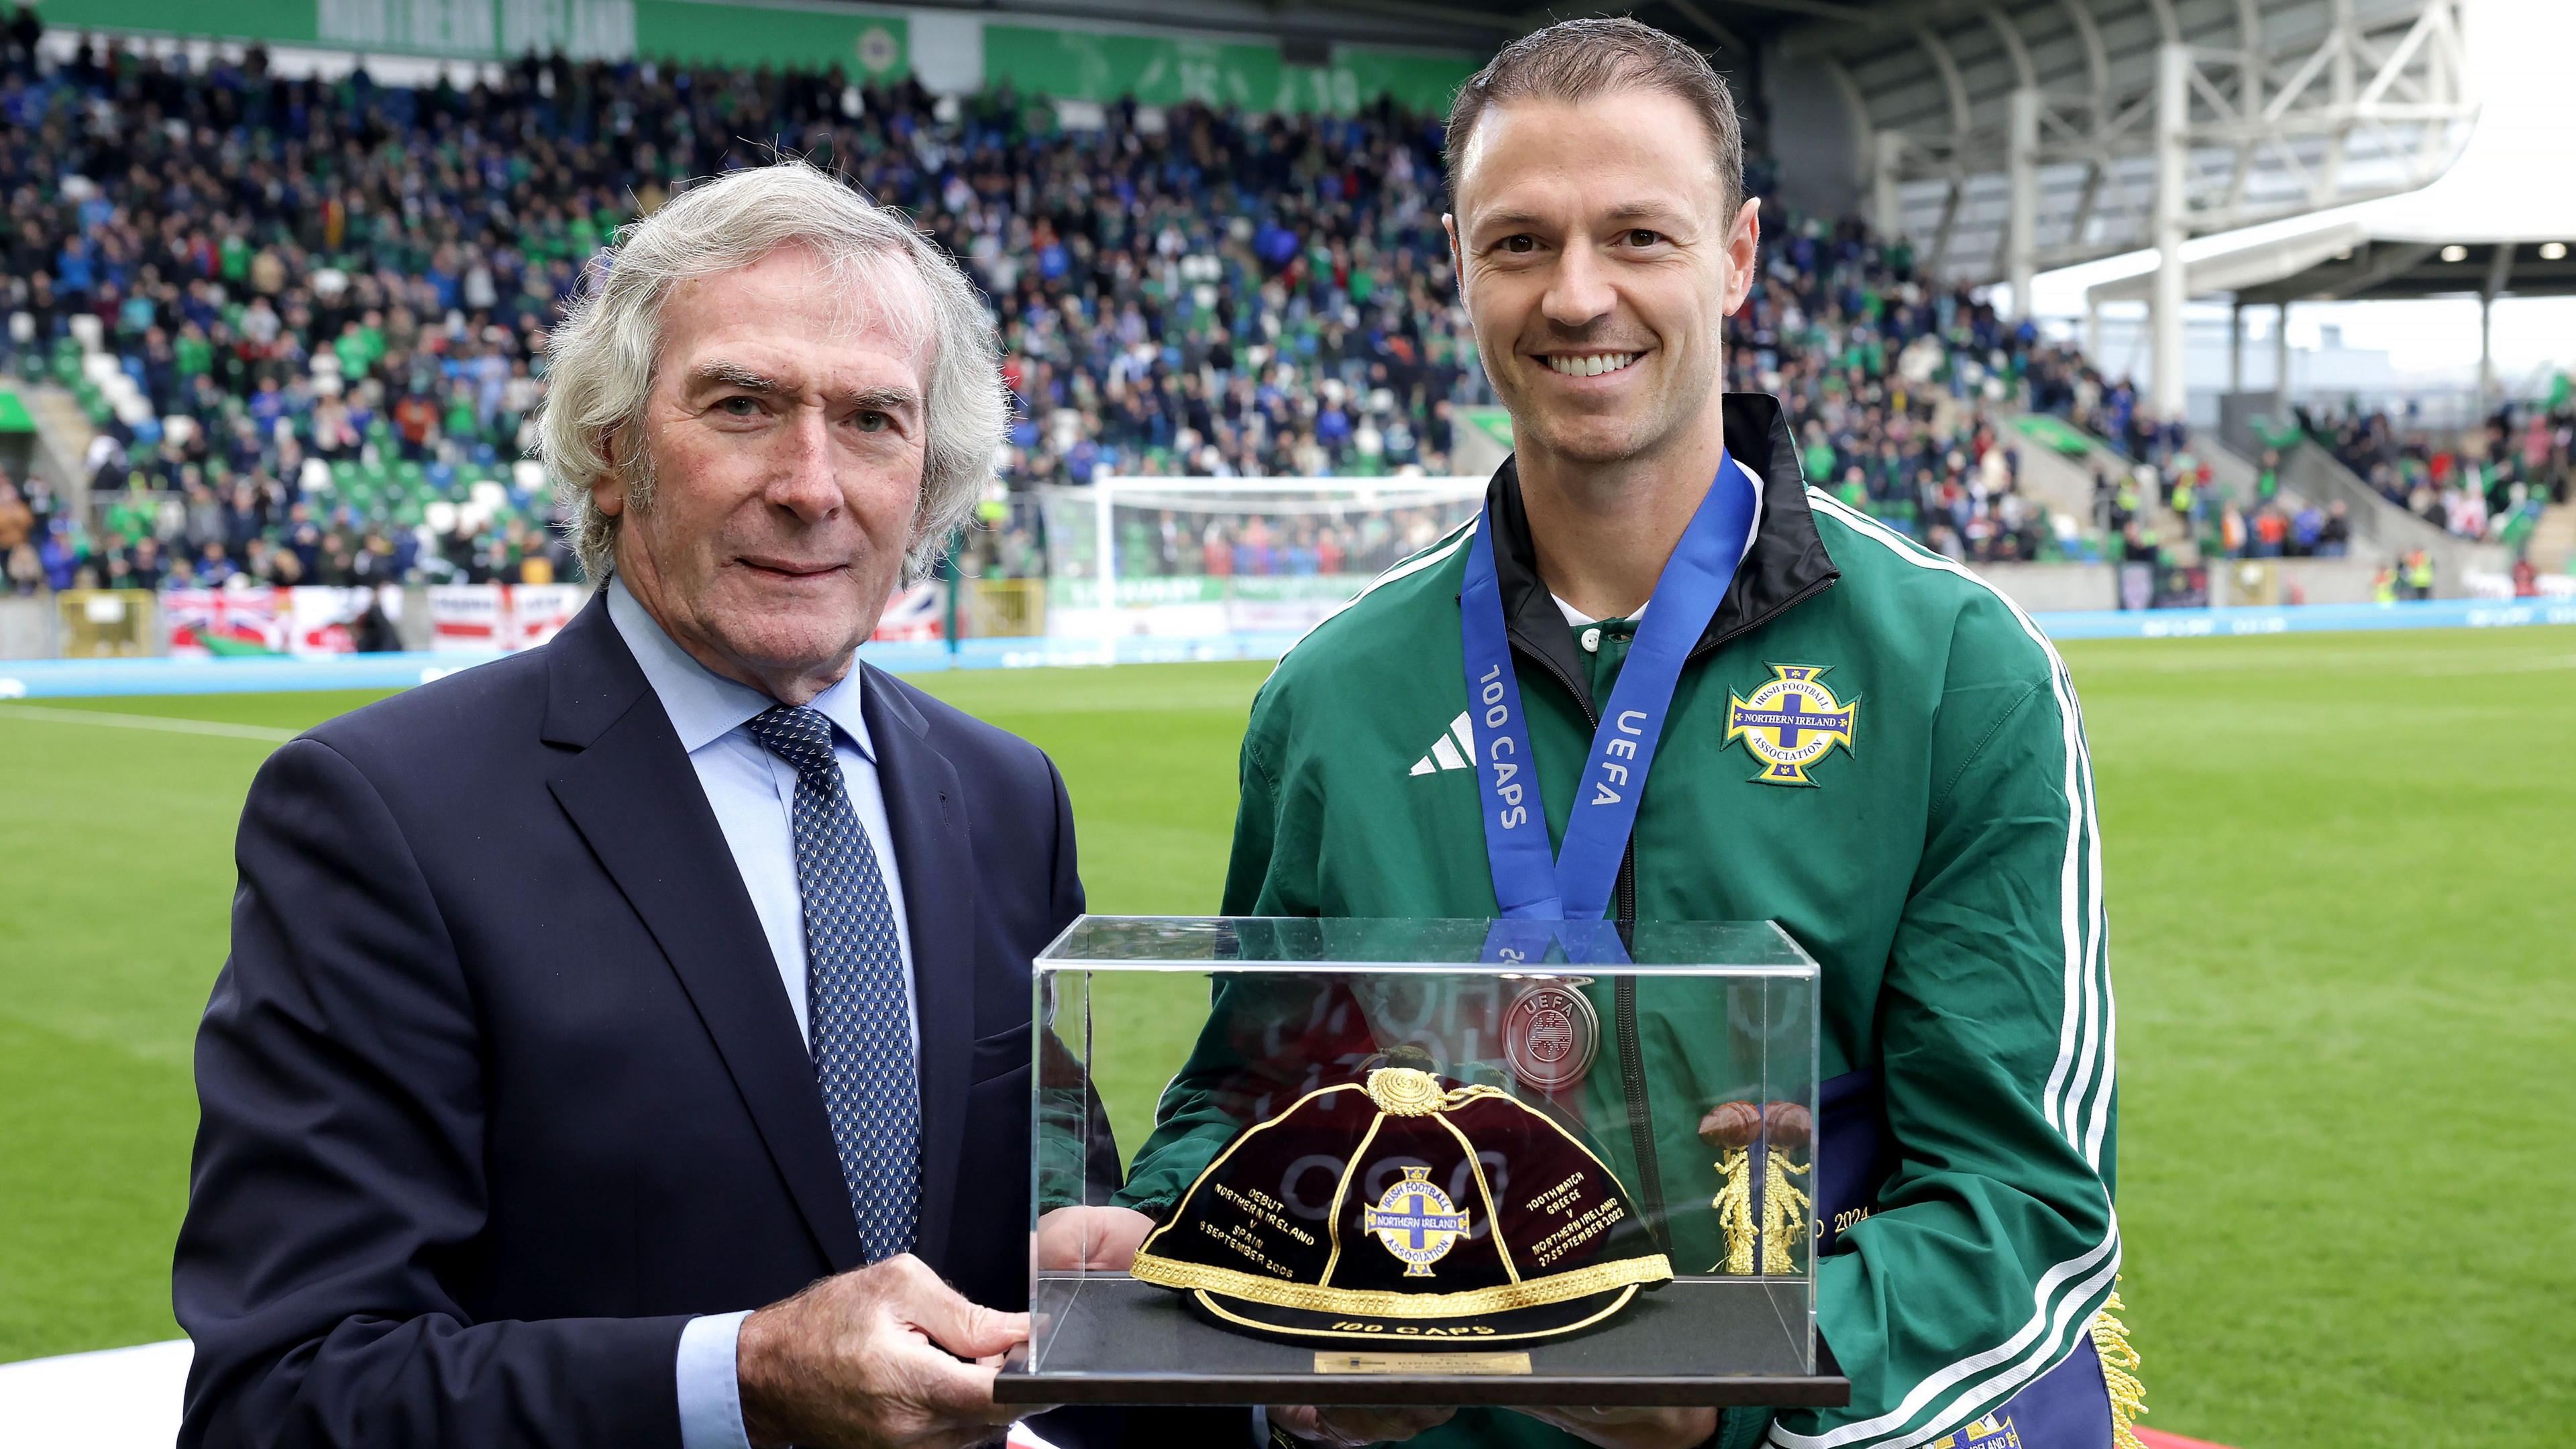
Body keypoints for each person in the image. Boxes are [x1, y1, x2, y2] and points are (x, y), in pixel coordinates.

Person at [1119, 20, 2128, 1449]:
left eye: (1638, 235)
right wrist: (1186, 1257)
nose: (1576, 294)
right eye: (1518, 242)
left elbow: (2023, 1205)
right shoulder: (1332, 697)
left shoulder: (1956, 668)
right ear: (1459, 267)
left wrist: (1735, 1376)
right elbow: (1244, 1093)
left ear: (1738, 256)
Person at [174, 162, 1169, 1449]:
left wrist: (1138, 1303)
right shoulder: (385, 815)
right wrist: (740, 1380)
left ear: (930, 481)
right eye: (744, 405)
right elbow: (284, 1396)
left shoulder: (1005, 798)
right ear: (612, 451)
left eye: (874, 419)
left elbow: (1053, 1245)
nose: (813, 483)